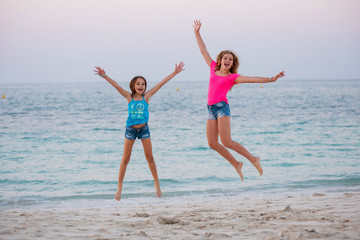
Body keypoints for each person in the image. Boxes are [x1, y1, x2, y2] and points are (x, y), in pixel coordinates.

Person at [193, 20, 285, 181]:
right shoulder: (213, 67)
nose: (228, 61)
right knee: (212, 144)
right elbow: (203, 50)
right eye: (225, 58)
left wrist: (271, 79)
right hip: (210, 109)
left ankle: (253, 159)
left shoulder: (232, 77)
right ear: (220, 60)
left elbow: (252, 79)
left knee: (226, 141)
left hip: (222, 108)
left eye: (231, 60)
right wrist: (197, 32)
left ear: (232, 64)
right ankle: (236, 164)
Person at [94, 62, 185, 201]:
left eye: (143, 84)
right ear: (133, 86)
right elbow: (117, 86)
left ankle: (157, 183)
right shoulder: (128, 97)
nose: (141, 86)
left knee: (150, 157)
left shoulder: (146, 97)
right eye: (138, 84)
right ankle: (119, 186)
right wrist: (104, 75)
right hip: (130, 130)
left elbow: (160, 84)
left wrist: (174, 73)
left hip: (144, 129)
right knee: (125, 158)